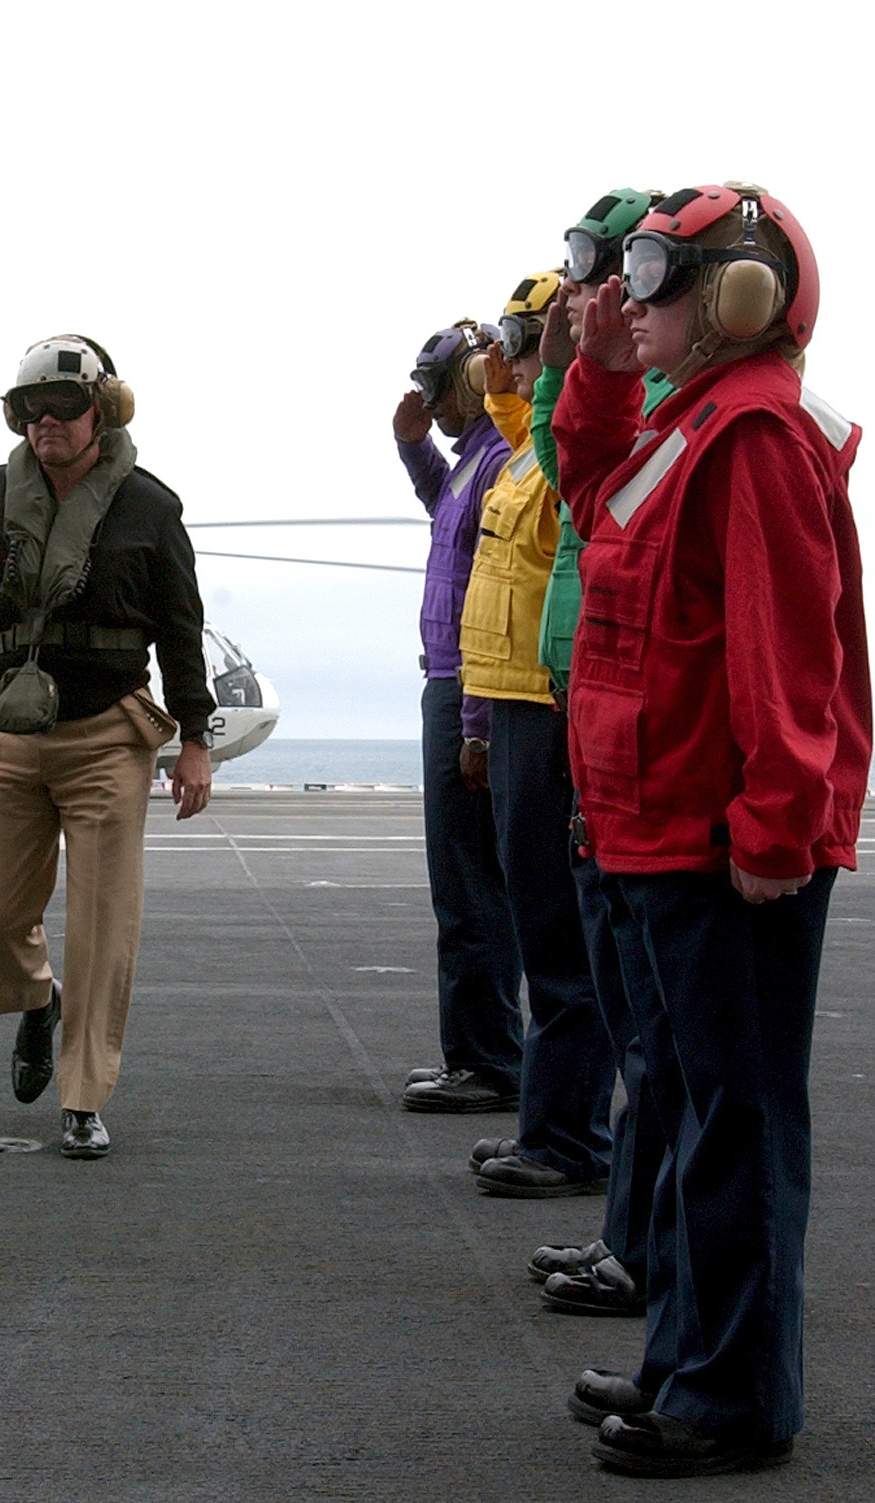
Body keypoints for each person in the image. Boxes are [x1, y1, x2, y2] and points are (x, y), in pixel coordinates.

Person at [553, 184, 869, 1477]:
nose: (632, 295)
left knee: (733, 1119)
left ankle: (734, 1394)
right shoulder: (687, 425)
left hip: (716, 843)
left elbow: (788, 653)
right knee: (689, 1110)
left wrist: (777, 825)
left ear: (741, 296)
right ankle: (686, 1353)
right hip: (652, 828)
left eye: (658, 276)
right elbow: (590, 501)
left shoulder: (754, 439)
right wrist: (593, 369)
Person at [0, 335, 214, 1161]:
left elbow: (182, 632)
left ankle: (83, 1096)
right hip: (11, 732)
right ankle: (37, 995)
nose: (45, 422)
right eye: (30, 410)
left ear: (104, 410)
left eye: (63, 407)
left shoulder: (151, 508)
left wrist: (195, 739)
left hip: (107, 740)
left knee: (102, 927)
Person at [519, 189, 677, 1318]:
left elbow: (588, 482)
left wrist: (601, 359)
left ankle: (645, 1247)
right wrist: (567, 362)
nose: (586, 298)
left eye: (606, 279)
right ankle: (629, 1232)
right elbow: (561, 452)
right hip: (588, 703)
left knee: (650, 1029)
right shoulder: (627, 379)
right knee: (624, 1004)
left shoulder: (699, 404)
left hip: (634, 727)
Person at [457, 271, 613, 1199]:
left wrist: (551, 359)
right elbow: (524, 413)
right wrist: (516, 368)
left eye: (526, 340)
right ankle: (549, 1125)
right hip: (511, 698)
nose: (508, 360)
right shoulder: (520, 452)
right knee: (539, 922)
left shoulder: (552, 457)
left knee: (559, 936)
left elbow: (556, 434)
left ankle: (568, 1138)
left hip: (547, 703)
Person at [392, 324, 524, 1113]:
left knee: (470, 882)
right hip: (453, 682)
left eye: (437, 387)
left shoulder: (498, 455)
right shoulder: (480, 454)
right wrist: (413, 449)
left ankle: (487, 1060)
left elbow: (488, 597)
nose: (429, 401)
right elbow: (448, 510)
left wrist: (473, 722)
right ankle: (481, 1052)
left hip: (464, 685)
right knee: (471, 880)